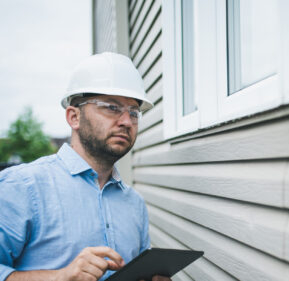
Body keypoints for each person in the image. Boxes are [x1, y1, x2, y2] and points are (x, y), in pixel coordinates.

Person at [0, 52, 170, 281]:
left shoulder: (134, 203)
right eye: (111, 107)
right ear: (74, 117)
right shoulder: (21, 187)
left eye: (133, 112)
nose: (127, 122)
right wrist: (60, 277)